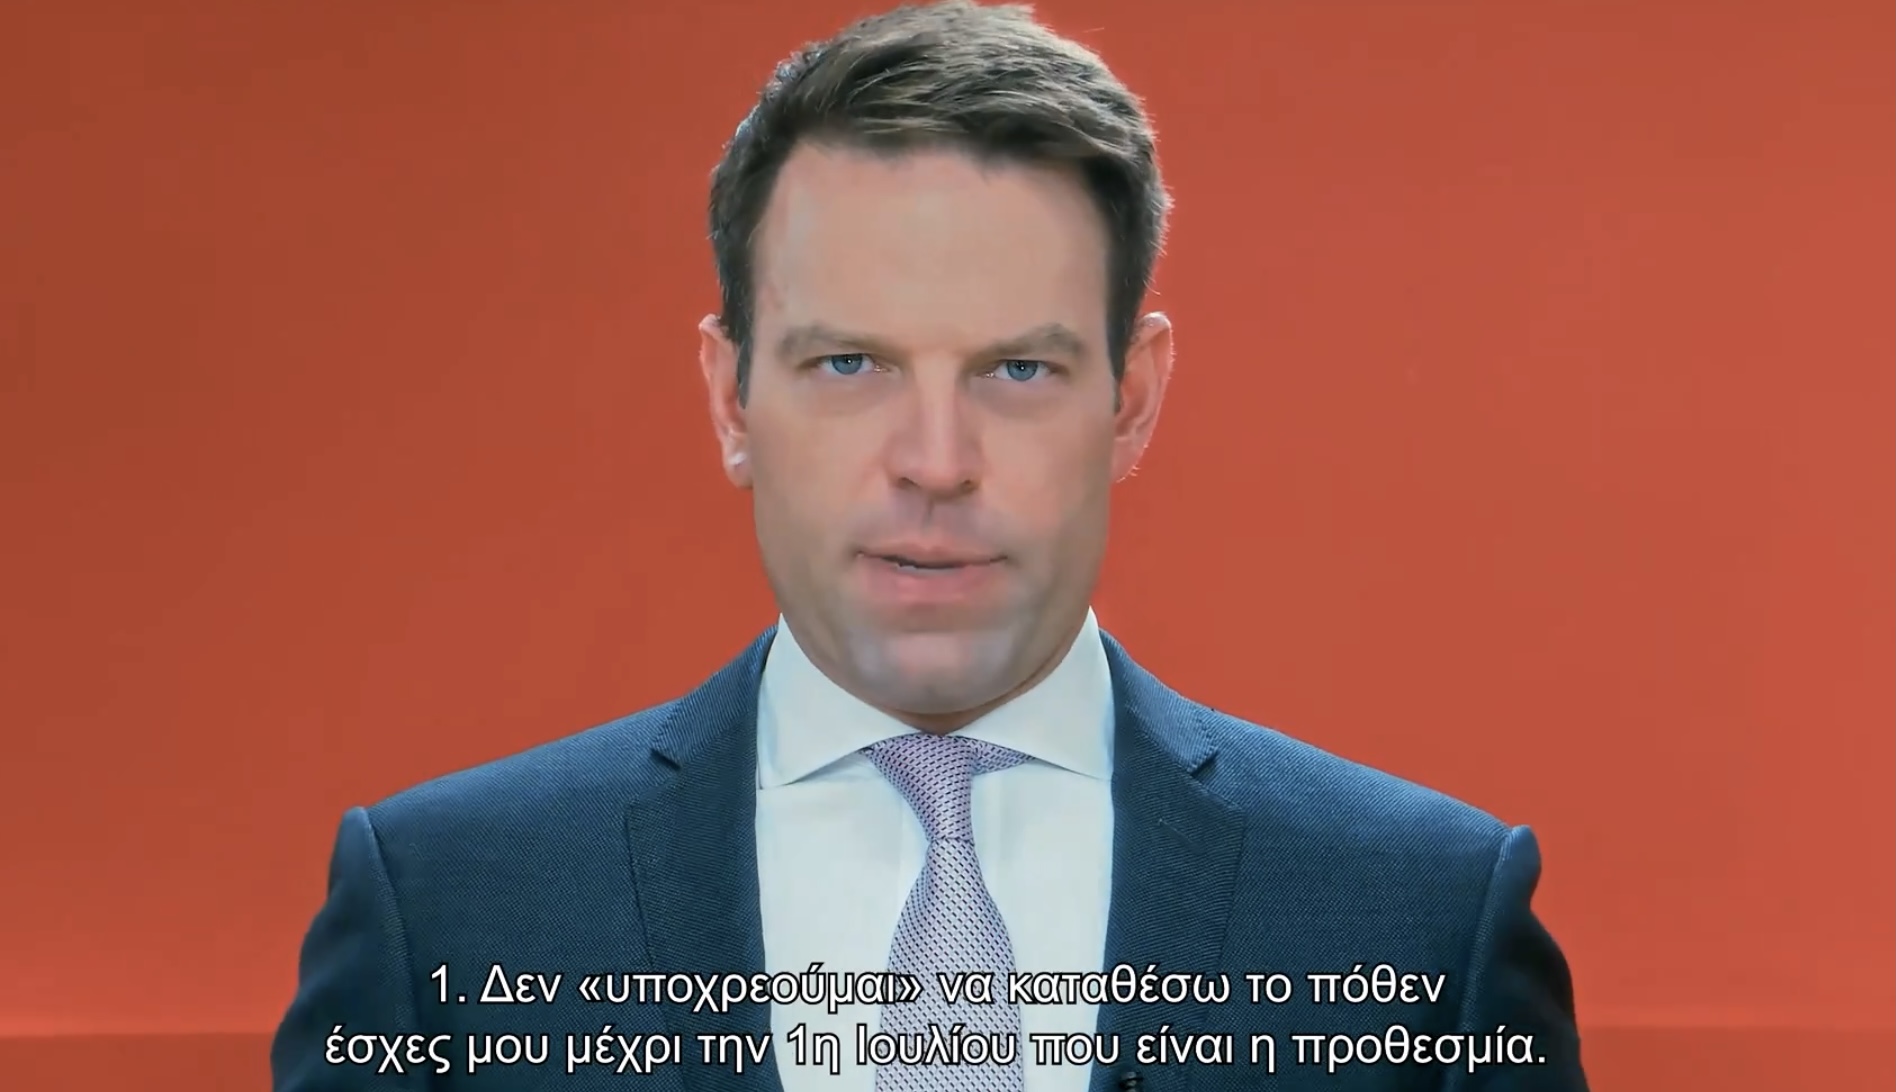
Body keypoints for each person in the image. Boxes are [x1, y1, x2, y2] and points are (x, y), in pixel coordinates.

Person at [272, 2, 1588, 1089]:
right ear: (732, 401)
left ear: (1132, 401)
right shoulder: (445, 911)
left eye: (1018, 368)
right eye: (850, 363)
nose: (937, 459)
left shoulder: (1424, 920)